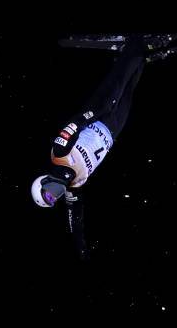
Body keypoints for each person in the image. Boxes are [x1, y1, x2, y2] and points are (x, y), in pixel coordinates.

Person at [31, 36, 163, 259]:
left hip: (98, 114)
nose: (56, 194)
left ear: (44, 181)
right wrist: (81, 247)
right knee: (131, 87)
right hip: (112, 130)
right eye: (54, 200)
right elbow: (76, 217)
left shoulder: (59, 154)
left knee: (119, 81)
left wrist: (96, 111)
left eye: (49, 194)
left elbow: (73, 123)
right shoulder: (75, 186)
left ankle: (135, 46)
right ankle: (140, 56)